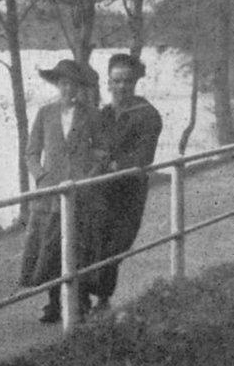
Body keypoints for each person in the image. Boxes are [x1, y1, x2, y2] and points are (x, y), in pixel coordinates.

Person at [19, 59, 106, 323]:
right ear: (57, 85)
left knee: (78, 246)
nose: (68, 89)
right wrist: (41, 176)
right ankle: (54, 303)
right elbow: (31, 152)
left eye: (73, 85)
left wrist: (88, 177)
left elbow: (102, 152)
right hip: (49, 194)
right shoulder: (45, 113)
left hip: (80, 192)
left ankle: (79, 301)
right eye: (63, 83)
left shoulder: (90, 114)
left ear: (80, 88)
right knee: (49, 248)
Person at [91, 53, 163, 312]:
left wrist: (112, 163)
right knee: (93, 240)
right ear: (109, 83)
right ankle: (88, 298)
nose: (121, 87)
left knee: (116, 245)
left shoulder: (147, 115)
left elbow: (143, 157)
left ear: (135, 83)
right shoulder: (102, 115)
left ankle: (102, 297)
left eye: (127, 82)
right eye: (116, 81)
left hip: (128, 193)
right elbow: (91, 149)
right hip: (99, 191)